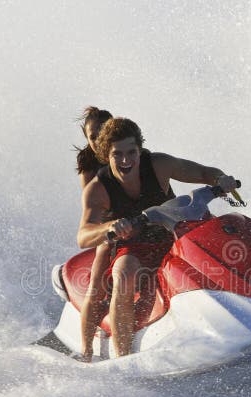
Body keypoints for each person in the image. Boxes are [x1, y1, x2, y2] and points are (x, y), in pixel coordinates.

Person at [77, 117, 238, 357]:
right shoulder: (98, 188)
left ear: (140, 150)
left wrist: (220, 179)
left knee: (224, 235)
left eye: (131, 152)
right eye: (117, 154)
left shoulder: (159, 164)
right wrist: (111, 226)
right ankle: (123, 357)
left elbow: (204, 173)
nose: (125, 161)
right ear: (106, 154)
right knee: (123, 273)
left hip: (174, 233)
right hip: (134, 247)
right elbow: (83, 235)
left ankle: (244, 303)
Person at [75, 106, 114, 361]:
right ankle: (87, 350)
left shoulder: (126, 152)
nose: (98, 138)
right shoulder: (88, 163)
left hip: (143, 217)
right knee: (98, 285)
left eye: (102, 132)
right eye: (92, 135)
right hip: (108, 224)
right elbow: (92, 201)